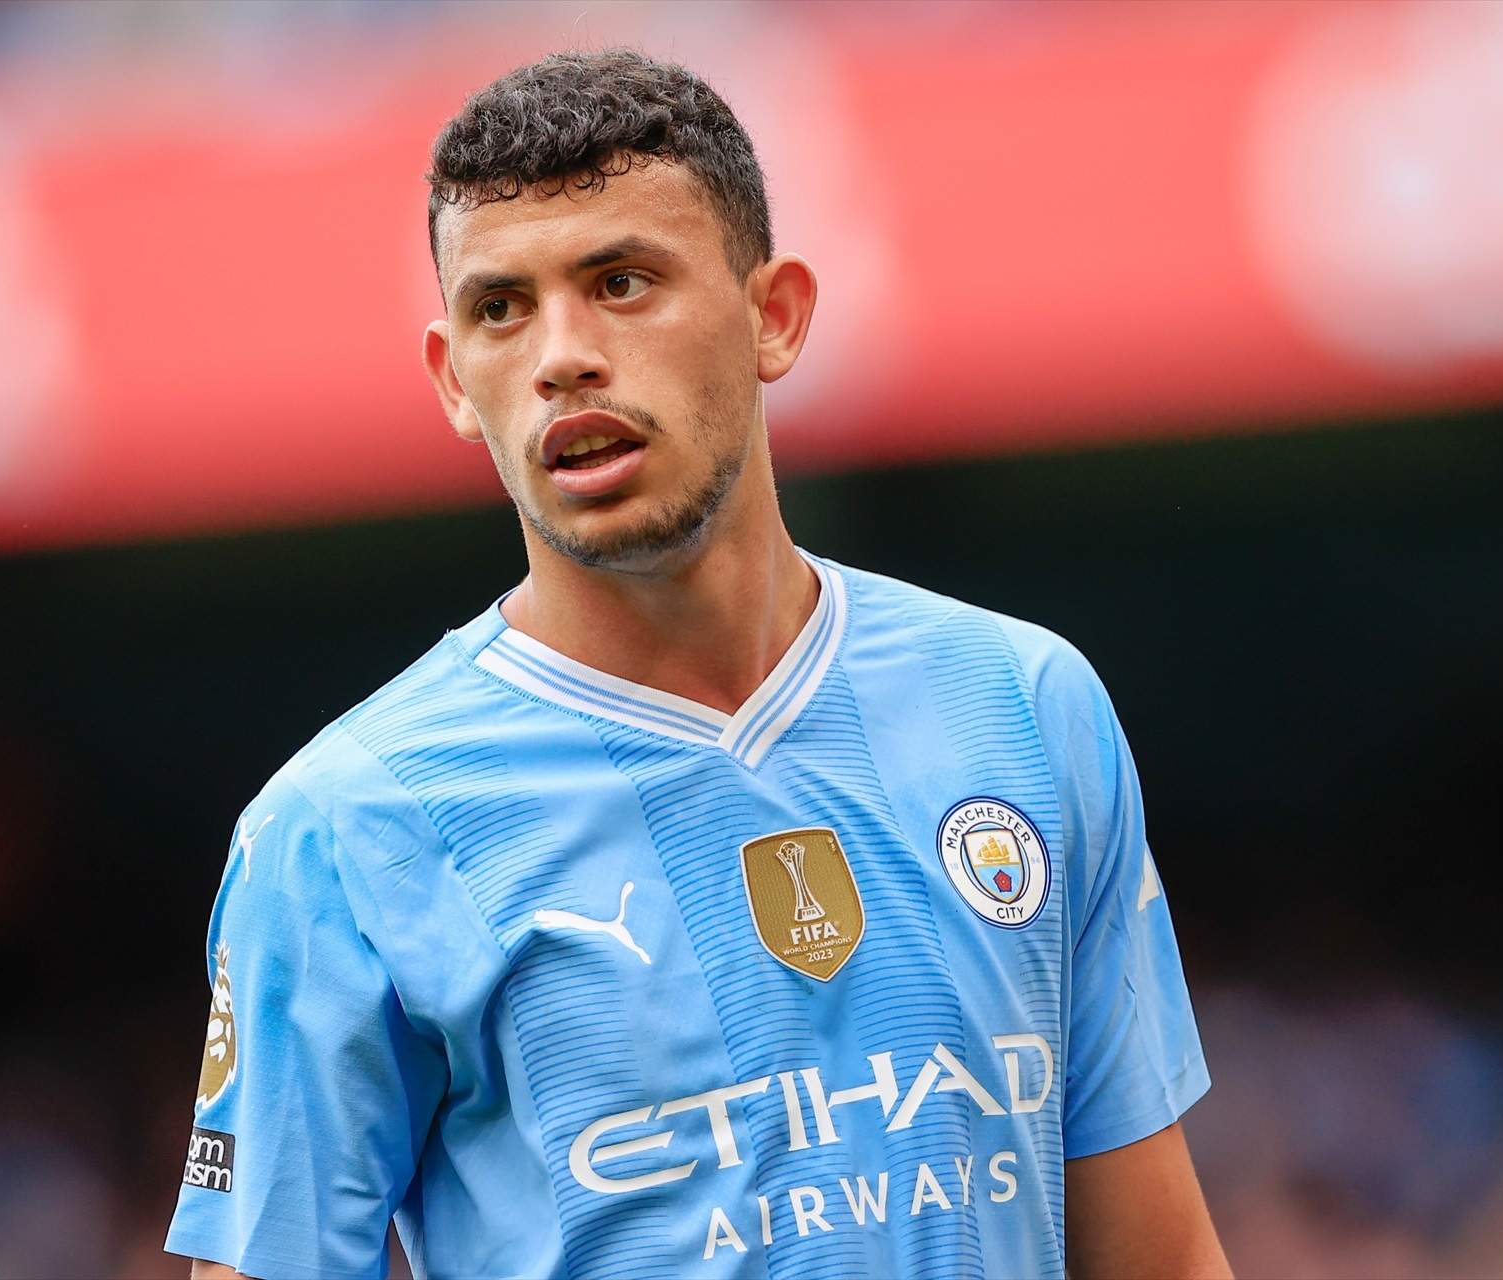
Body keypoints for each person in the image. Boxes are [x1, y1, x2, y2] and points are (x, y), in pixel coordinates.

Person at [167, 48, 1230, 1280]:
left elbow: (1158, 1253)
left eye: (621, 281)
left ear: (772, 316)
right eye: (501, 308)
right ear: (454, 380)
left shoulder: (1026, 707)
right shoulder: (344, 830)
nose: (561, 354)